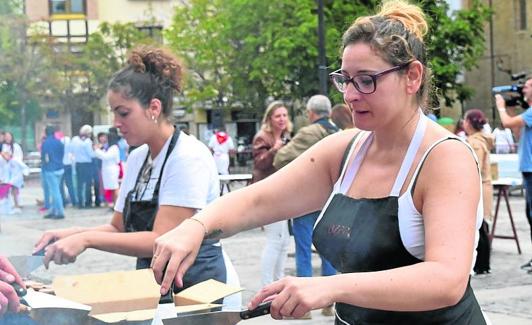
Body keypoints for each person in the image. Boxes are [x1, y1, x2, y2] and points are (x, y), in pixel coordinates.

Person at [152, 1, 487, 323]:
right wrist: (195, 227)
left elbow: (446, 279)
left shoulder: (445, 158)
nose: (351, 95)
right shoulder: (344, 151)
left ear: (412, 76)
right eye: (345, 79)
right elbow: (257, 199)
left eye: (367, 80)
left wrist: (328, 287)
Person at [33, 46, 241, 308]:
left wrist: (86, 240)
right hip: (154, 283)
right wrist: (71, 233)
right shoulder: (137, 157)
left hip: (200, 288)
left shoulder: (187, 157)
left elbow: (161, 238)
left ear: (153, 107)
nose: (116, 122)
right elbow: (118, 227)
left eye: (123, 113)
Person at [272, 94, 338, 319]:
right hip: (332, 201)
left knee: (303, 249)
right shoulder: (338, 131)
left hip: (307, 201)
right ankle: (330, 302)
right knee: (329, 251)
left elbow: (280, 158)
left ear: (311, 113)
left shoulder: (309, 132)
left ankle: (304, 306)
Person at [251, 100, 292, 287]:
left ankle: (278, 281)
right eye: (278, 116)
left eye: (284, 115)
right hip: (267, 193)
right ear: (269, 118)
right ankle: (268, 285)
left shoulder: (286, 136)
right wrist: (274, 149)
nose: (282, 119)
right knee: (274, 241)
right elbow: (259, 164)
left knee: (283, 242)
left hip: (282, 193)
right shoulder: (263, 137)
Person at [495, 76, 532, 273]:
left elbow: (507, 123)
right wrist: (509, 108)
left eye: (527, 86)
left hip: (531, 169)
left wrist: (501, 106)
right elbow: (516, 130)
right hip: (527, 169)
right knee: (529, 214)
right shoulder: (528, 113)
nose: (523, 89)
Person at [463, 109, 494, 274]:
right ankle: (483, 263)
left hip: (479, 186)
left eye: (465, 120)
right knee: (482, 226)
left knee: (480, 227)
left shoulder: (475, 142)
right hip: (483, 185)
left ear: (469, 123)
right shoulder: (480, 139)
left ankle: (482, 264)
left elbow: (474, 167)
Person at [41, 125, 65, 219]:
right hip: (60, 167)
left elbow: (44, 156)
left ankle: (60, 212)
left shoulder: (46, 143)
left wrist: (45, 165)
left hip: (50, 168)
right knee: (56, 190)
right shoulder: (59, 142)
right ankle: (54, 210)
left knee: (55, 191)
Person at [70, 125, 95, 208]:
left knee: (79, 184)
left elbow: (72, 150)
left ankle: (80, 203)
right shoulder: (88, 141)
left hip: (78, 164)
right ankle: (88, 202)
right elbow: (91, 154)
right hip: (87, 164)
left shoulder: (74, 140)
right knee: (88, 184)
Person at [94, 131, 120, 208]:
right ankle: (115, 204)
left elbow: (106, 157)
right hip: (108, 170)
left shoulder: (114, 147)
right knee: (112, 189)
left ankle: (118, 205)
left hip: (112, 170)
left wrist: (97, 150)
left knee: (115, 188)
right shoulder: (109, 148)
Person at [1, 132, 26, 212]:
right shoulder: (3, 146)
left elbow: (19, 157)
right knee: (5, 187)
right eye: (6, 137)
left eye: (9, 136)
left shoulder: (16, 146)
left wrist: (11, 159)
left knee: (15, 187)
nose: (7, 138)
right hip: (5, 171)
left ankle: (16, 203)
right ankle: (7, 203)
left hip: (15, 170)